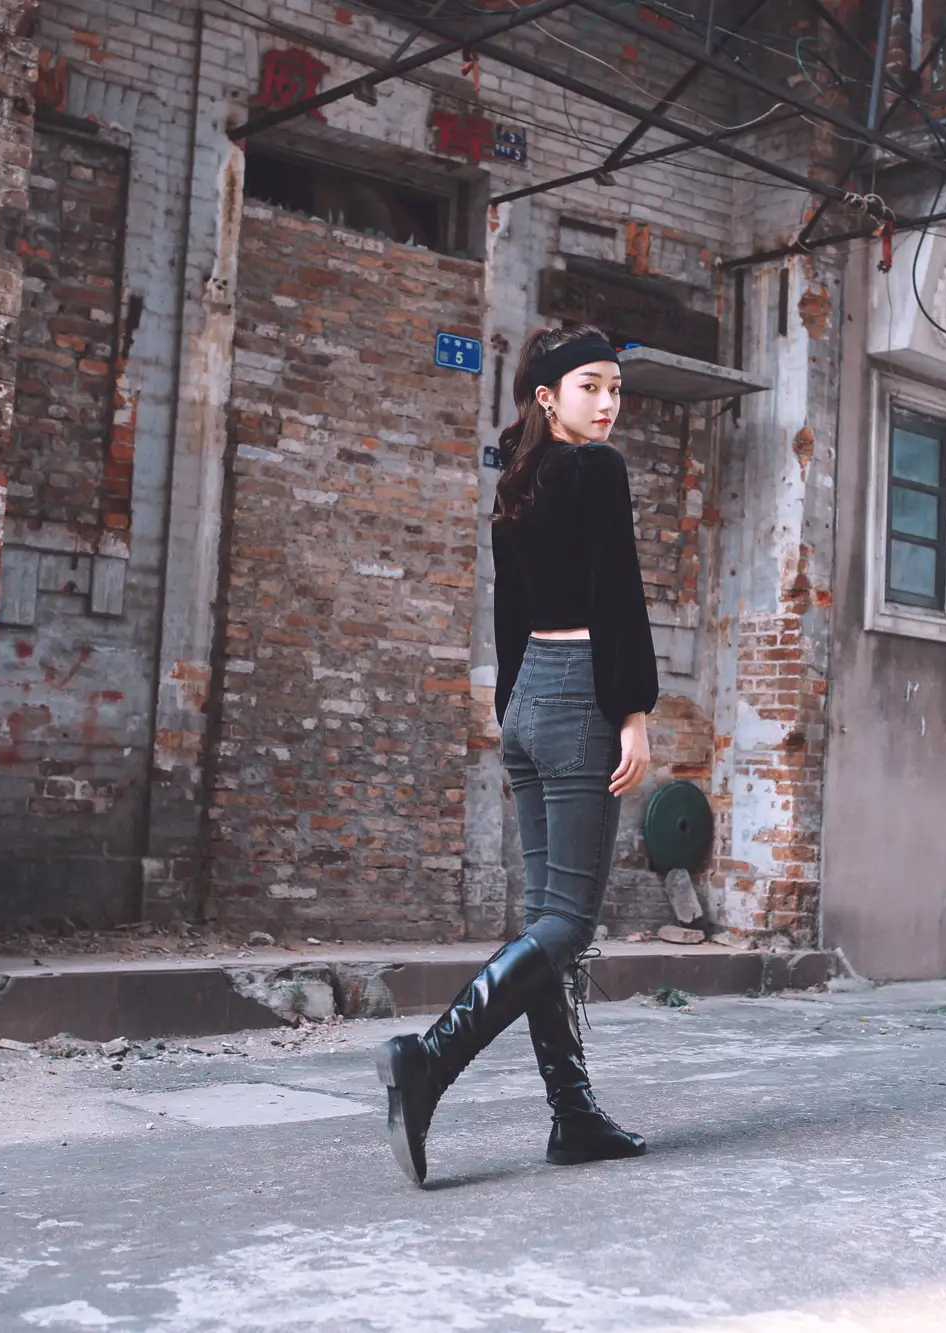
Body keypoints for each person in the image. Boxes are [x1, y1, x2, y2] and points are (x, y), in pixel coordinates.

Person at [374, 324, 658, 1186]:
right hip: (577, 696)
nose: (607, 403)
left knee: (544, 924)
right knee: (567, 924)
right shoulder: (598, 470)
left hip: (529, 697)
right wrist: (634, 712)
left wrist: (511, 717)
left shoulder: (518, 477)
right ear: (547, 395)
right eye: (588, 387)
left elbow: (507, 612)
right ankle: (430, 1059)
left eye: (614, 387)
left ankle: (573, 1113)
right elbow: (619, 597)